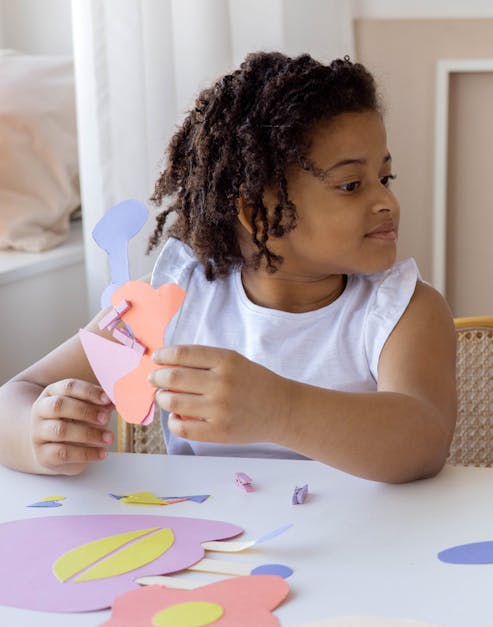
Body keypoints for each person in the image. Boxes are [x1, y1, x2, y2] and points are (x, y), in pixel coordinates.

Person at [0, 52, 457, 483]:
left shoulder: (402, 310)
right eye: (352, 184)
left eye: (385, 178)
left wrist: (281, 409)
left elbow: (423, 441)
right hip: (213, 533)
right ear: (257, 213)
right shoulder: (175, 300)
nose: (386, 201)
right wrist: (39, 433)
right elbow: (16, 396)